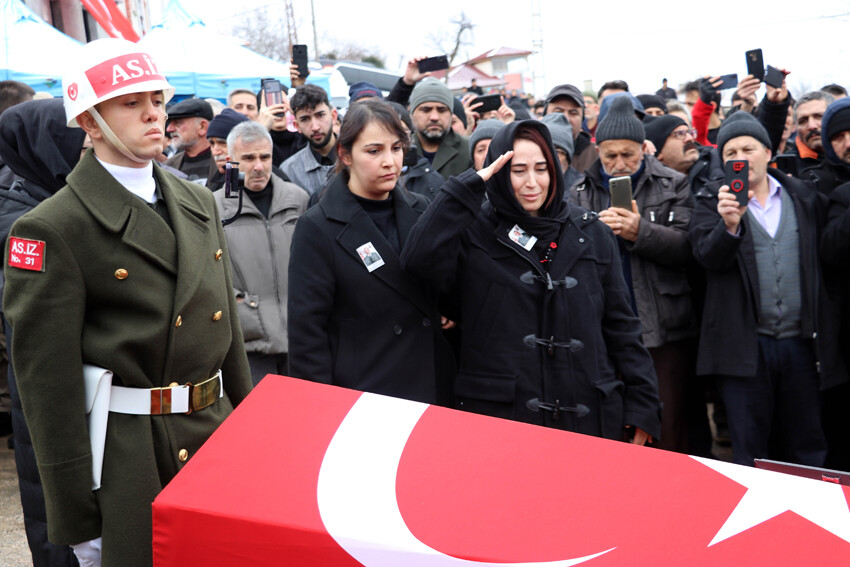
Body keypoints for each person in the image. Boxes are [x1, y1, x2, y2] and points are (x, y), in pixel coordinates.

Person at [2, 38, 253, 565]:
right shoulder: (52, 226)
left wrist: (246, 439)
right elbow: (49, 389)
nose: (153, 114)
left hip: (214, 436)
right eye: (130, 103)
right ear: (90, 122)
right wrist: (77, 517)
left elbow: (226, 338)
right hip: (130, 459)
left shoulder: (197, 200)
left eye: (156, 100)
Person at [401, 119, 661, 443]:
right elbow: (417, 260)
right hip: (503, 422)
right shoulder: (474, 232)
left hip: (588, 415)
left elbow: (623, 328)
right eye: (518, 170)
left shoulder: (591, 232)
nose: (532, 182)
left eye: (542, 168)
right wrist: (465, 188)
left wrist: (643, 407)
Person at [689, 111, 845, 467]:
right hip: (745, 351)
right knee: (751, 452)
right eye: (730, 153)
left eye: (748, 148)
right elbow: (705, 259)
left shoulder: (805, 197)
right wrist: (729, 227)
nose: (740, 158)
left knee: (807, 445)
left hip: (802, 347)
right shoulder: (711, 201)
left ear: (768, 152)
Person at [288, 99, 454, 405]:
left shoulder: (421, 209)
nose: (390, 161)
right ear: (345, 154)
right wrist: (320, 409)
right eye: (374, 151)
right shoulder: (318, 226)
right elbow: (307, 336)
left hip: (429, 386)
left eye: (396, 148)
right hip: (363, 395)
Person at [568, 96, 699, 453]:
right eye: (610, 156)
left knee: (667, 425)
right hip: (603, 327)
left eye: (629, 154)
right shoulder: (578, 192)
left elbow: (689, 248)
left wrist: (640, 232)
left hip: (663, 326)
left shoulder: (673, 184)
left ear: (644, 147)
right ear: (597, 150)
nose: (619, 164)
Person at [0, 98, 86, 567]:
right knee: (57, 511)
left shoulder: (43, 196)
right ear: (47, 148)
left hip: (75, 379)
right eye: (74, 139)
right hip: (46, 381)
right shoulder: (20, 219)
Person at [214, 121, 308, 385]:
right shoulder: (214, 207)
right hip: (249, 343)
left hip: (299, 337)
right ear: (231, 161)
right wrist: (238, 304)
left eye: (265, 157)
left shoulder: (297, 200)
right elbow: (207, 273)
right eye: (248, 158)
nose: (258, 166)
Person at [280, 83, 337, 197]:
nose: (315, 127)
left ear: (333, 116)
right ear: (296, 126)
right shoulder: (289, 171)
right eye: (305, 119)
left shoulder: (358, 157)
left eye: (320, 115)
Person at [544, 84, 597, 173]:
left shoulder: (595, 155)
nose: (565, 118)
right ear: (545, 115)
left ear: (582, 119)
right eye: (558, 112)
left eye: (573, 113)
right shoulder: (532, 151)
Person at [164, 98, 215, 184]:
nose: (169, 129)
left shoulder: (223, 164)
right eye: (170, 123)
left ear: (202, 127)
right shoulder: (168, 166)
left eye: (178, 123)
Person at [205, 107, 249, 191]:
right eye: (212, 144)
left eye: (223, 143)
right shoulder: (215, 183)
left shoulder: (265, 180)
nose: (215, 152)